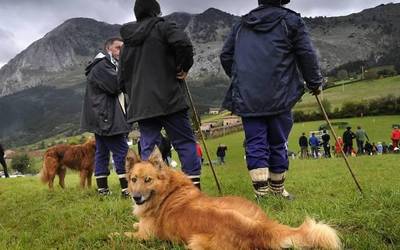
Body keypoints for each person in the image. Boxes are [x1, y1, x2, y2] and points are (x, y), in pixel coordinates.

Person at [220, 0, 322, 199]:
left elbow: (226, 55)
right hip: (281, 94)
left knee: (255, 142)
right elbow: (306, 54)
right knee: (278, 141)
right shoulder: (291, 21)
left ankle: (262, 193)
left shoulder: (241, 24)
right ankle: (277, 190)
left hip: (248, 97)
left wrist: (242, 79)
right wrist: (314, 82)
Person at [119, 0, 201, 188]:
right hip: (169, 98)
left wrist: (134, 93)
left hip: (142, 106)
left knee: (148, 146)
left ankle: (149, 189)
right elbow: (184, 44)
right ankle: (193, 188)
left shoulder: (126, 44)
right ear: (156, 11)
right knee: (184, 142)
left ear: (136, 14)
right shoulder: (164, 27)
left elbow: (121, 79)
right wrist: (183, 67)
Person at [81, 37, 131, 197]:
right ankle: (126, 190)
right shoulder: (102, 65)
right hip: (107, 116)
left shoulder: (104, 65)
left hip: (102, 115)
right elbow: (116, 86)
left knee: (102, 152)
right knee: (122, 151)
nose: (121, 51)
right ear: (109, 49)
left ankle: (103, 189)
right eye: (118, 48)